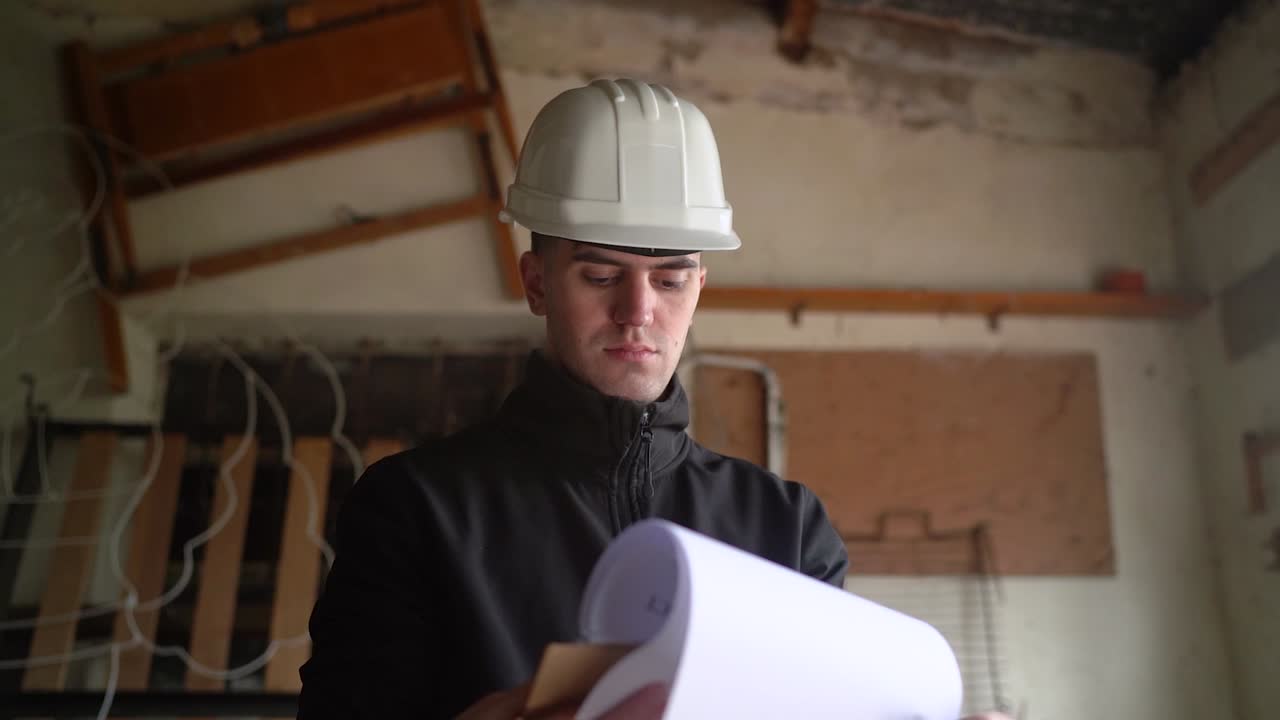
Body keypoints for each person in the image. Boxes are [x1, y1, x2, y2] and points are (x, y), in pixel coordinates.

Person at [297, 78, 1007, 720]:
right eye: (601, 276)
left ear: (699, 288)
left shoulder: (787, 529)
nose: (638, 312)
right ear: (537, 283)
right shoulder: (415, 510)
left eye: (670, 280)